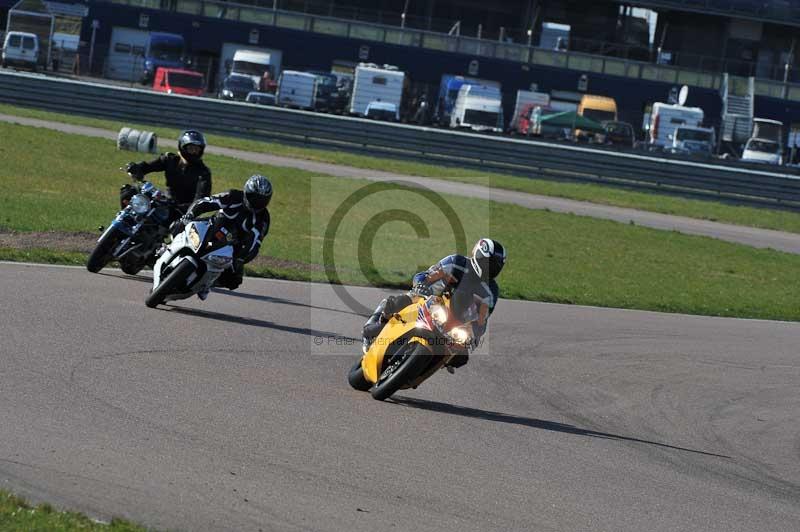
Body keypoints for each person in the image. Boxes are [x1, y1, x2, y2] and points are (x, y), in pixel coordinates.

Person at [362, 238, 507, 371]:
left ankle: (423, 369)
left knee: (461, 357)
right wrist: (420, 285)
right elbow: (425, 275)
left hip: (454, 321)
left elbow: (482, 319)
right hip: (428, 298)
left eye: (495, 267)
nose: (491, 269)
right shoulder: (457, 262)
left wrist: (474, 334)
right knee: (400, 302)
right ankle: (377, 325)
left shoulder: (491, 290)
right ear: (479, 256)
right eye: (489, 264)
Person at [171, 175, 272, 296]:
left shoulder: (263, 219)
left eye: (261, 200)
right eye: (254, 198)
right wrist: (190, 214)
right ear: (246, 192)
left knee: (234, 280)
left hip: (232, 246)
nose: (257, 203)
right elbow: (205, 202)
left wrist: (240, 259)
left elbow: (255, 244)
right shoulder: (233, 196)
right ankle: (167, 248)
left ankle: (207, 283)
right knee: (177, 225)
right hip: (212, 226)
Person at [124, 130, 212, 216]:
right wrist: (135, 167)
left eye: (197, 149)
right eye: (191, 148)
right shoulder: (170, 160)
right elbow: (148, 166)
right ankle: (125, 218)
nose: (194, 152)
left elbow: (200, 201)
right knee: (127, 192)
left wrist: (181, 208)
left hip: (182, 213)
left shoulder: (203, 173)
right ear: (182, 147)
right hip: (164, 202)